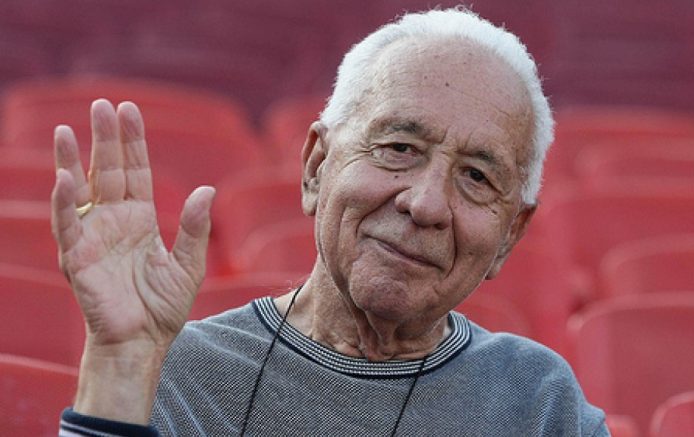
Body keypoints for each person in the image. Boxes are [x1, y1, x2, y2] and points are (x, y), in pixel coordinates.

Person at [53, 7, 609, 437]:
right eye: (399, 147)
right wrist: (119, 364)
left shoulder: (538, 403)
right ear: (317, 167)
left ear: (509, 235)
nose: (425, 204)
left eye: (477, 177)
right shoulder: (173, 373)